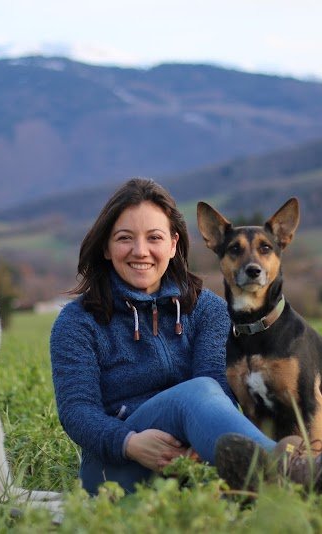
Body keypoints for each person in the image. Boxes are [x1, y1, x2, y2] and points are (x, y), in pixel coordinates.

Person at [49, 178, 278, 494]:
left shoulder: (207, 309)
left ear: (173, 244)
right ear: (106, 247)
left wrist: (197, 443)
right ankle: (285, 471)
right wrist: (130, 443)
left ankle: (289, 471)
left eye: (154, 238)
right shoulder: (78, 322)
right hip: (115, 469)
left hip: (194, 459)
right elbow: (77, 410)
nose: (140, 251)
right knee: (197, 392)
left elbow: (219, 393)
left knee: (205, 390)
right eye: (125, 238)